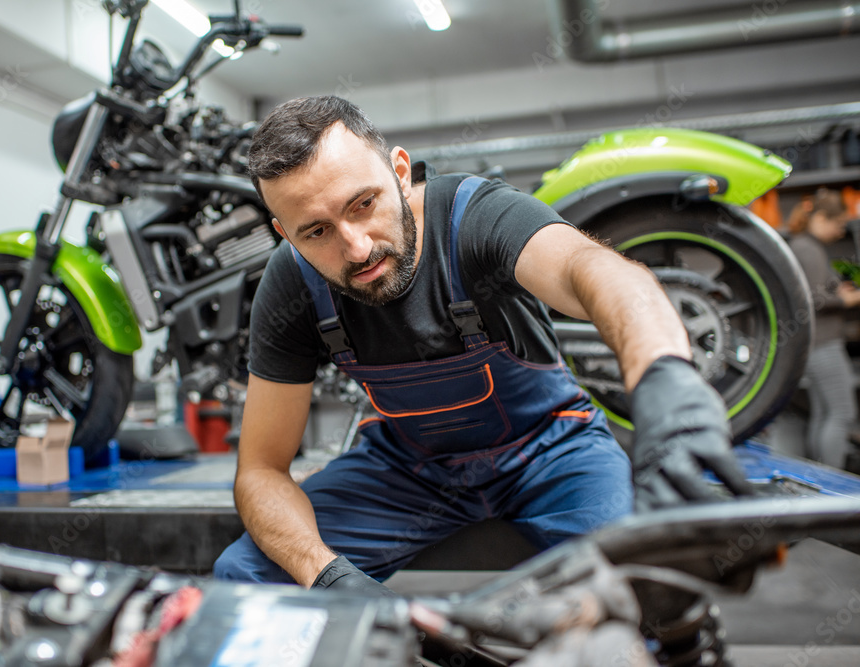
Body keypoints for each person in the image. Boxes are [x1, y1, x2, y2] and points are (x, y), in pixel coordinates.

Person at [212, 96, 753, 594]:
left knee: (645, 582)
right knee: (247, 578)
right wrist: (325, 576)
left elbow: (594, 270)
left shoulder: (476, 217)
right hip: (408, 470)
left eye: (363, 204)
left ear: (400, 173)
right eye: (316, 232)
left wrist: (666, 377)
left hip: (551, 452)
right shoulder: (291, 285)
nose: (355, 247)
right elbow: (260, 469)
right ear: (286, 233)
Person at [787, 188, 860, 468]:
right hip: (824, 343)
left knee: (824, 412)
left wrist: (836, 290)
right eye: (838, 223)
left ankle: (821, 477)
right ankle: (835, 482)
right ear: (820, 218)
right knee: (842, 412)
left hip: (815, 343)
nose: (840, 231)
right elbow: (814, 300)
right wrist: (847, 298)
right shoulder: (809, 248)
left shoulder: (801, 245)